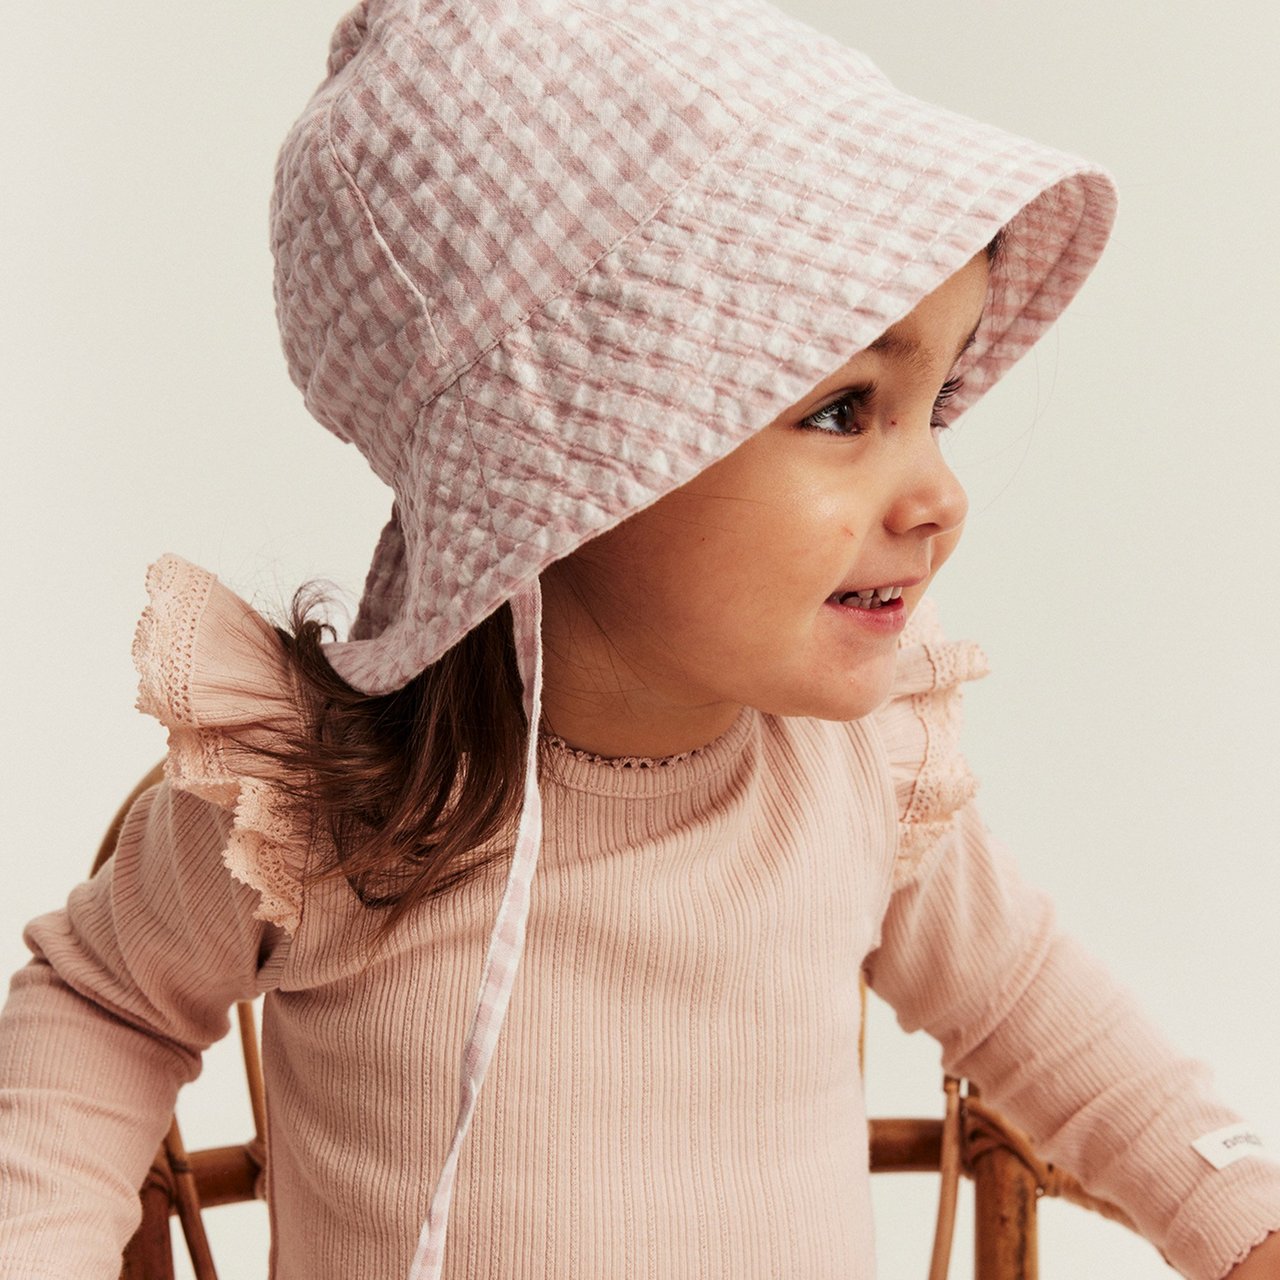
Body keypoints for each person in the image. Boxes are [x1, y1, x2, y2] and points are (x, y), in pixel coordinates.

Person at [1, 0, 1278, 1277]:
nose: (939, 492)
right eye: (842, 409)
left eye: (933, 402)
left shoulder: (858, 776)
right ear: (565, 469)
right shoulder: (312, 806)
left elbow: (1032, 1009)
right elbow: (101, 1008)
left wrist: (1237, 1216)